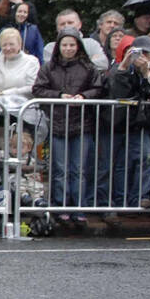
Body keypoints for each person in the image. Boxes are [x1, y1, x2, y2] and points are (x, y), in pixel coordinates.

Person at [32, 27, 105, 225]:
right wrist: (59, 96)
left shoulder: (88, 67)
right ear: (59, 47)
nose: (69, 48)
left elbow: (98, 88)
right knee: (60, 169)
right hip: (57, 124)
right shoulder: (49, 67)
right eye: (65, 45)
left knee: (79, 169)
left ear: (78, 46)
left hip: (82, 124)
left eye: (72, 45)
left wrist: (83, 96)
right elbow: (38, 89)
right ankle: (60, 205)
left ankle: (78, 207)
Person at [102, 36, 150, 224]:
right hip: (116, 123)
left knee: (149, 156)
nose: (142, 57)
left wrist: (147, 74)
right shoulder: (121, 66)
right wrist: (123, 69)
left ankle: (139, 198)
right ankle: (118, 203)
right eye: (139, 52)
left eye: (147, 53)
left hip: (138, 124)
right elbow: (118, 95)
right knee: (117, 165)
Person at [0, 27, 40, 103]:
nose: (8, 48)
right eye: (4, 45)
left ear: (19, 45)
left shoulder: (31, 61)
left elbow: (32, 88)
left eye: (11, 44)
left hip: (21, 108)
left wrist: (6, 93)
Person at [42, 10, 108, 70]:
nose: (66, 26)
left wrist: (65, 64)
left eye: (70, 23)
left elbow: (104, 64)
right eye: (62, 24)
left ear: (80, 25)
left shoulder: (91, 43)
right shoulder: (50, 48)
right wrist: (89, 61)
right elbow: (52, 70)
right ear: (57, 28)